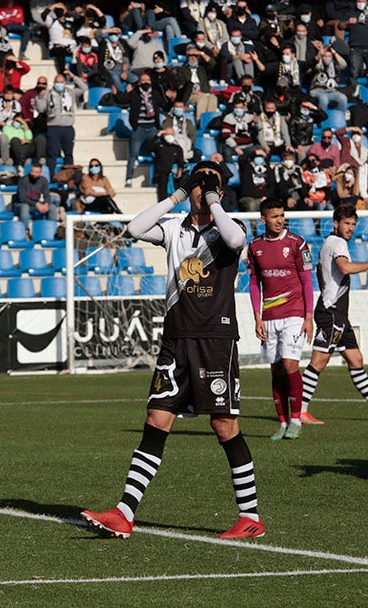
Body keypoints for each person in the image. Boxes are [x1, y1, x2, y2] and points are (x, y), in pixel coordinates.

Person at [81, 161, 264, 540]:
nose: (201, 189)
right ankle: (124, 513)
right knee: (156, 419)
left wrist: (214, 200)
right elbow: (134, 229)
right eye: (197, 183)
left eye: (208, 184)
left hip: (215, 340)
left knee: (224, 424)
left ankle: (250, 517)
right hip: (176, 339)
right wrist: (177, 194)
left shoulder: (229, 227)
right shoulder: (174, 228)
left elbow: (234, 242)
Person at [299, 204, 368, 425]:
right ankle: (300, 410)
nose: (350, 228)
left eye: (353, 224)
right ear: (335, 224)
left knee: (356, 359)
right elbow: (345, 268)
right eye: (346, 223)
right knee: (319, 362)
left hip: (338, 314)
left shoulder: (329, 243)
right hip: (332, 312)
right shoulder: (337, 243)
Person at [247, 198, 314, 440]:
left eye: (282, 215)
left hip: (295, 314)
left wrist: (309, 317)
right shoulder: (255, 247)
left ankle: (296, 418)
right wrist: (257, 318)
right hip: (269, 316)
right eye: (274, 216)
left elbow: (307, 281)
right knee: (275, 369)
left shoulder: (297, 243)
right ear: (263, 219)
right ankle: (283, 422)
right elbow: (254, 284)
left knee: (289, 365)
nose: (280, 220)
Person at [34, 72, 87, 175]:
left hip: (67, 127)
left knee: (68, 154)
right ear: (53, 83)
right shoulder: (48, 94)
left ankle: (68, 176)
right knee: (52, 154)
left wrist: (73, 76)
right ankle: (52, 175)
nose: (59, 84)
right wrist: (40, 98)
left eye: (61, 82)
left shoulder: (70, 92)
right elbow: (41, 109)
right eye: (57, 82)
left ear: (65, 82)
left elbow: (83, 88)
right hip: (53, 128)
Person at [14, 159, 59, 226]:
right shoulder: (23, 180)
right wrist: (36, 204)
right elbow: (22, 198)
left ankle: (52, 229)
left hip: (35, 204)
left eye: (36, 172)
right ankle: (25, 231)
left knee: (52, 207)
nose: (33, 174)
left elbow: (47, 195)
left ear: (40, 173)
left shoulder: (43, 180)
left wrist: (46, 204)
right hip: (20, 204)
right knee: (25, 207)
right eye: (32, 171)